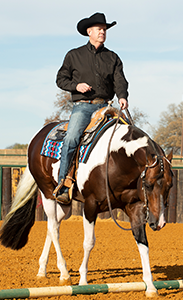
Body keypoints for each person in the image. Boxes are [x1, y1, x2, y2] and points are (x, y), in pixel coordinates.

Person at [55, 12, 129, 204]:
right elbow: (60, 79)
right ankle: (63, 184)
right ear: (89, 32)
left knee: (129, 136)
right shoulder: (74, 55)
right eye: (99, 29)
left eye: (104, 29)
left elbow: (120, 81)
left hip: (107, 107)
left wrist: (122, 96)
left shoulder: (112, 58)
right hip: (83, 107)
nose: (102, 32)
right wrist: (76, 86)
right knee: (71, 138)